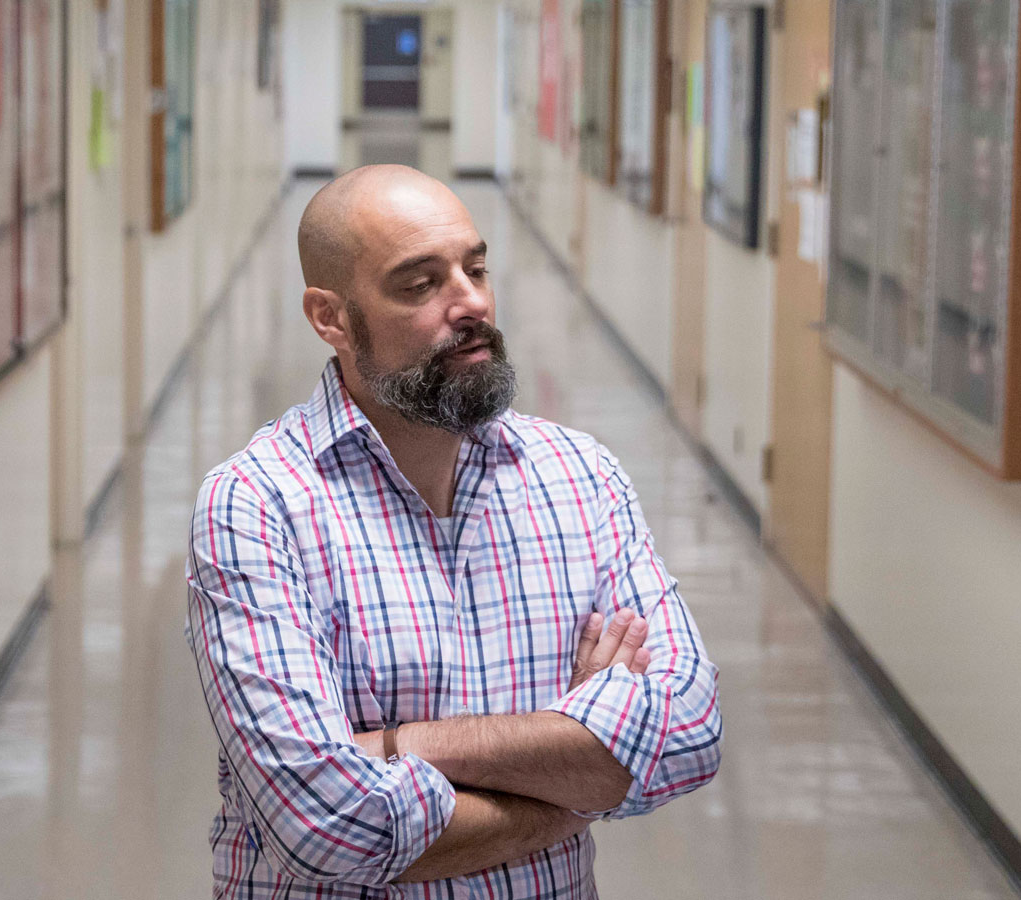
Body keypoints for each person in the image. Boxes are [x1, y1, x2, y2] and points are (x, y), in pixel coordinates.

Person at [185, 165, 721, 899]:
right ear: (331, 318)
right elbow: (327, 827)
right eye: (419, 284)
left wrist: (408, 746)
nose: (470, 302)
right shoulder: (256, 504)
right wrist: (578, 772)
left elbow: (687, 736)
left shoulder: (578, 476)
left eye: (475, 268)